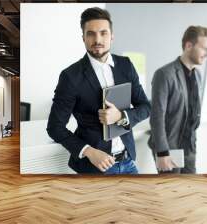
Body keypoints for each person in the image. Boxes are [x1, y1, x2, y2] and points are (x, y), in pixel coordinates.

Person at [47, 7, 150, 174]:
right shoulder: (70, 76)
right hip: (94, 168)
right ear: (83, 38)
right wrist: (89, 151)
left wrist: (122, 117)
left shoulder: (126, 65)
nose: (97, 39)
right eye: (91, 34)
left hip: (128, 162)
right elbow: (55, 127)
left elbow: (145, 107)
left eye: (103, 33)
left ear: (112, 36)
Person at [148, 26, 207, 174]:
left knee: (189, 190)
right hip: (169, 149)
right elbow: (157, 116)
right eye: (204, 49)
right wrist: (162, 152)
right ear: (189, 46)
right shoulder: (164, 74)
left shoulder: (198, 76)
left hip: (189, 147)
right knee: (171, 192)